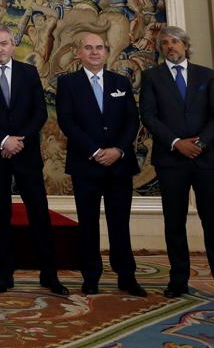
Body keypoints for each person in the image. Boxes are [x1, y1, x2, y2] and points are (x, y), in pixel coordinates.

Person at [139, 26, 214, 303]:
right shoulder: (152, 77)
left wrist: (200, 143)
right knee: (174, 223)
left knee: (213, 223)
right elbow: (148, 116)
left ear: (185, 45)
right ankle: (178, 280)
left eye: (174, 42)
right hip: (171, 160)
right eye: (164, 43)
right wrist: (176, 142)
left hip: (206, 159)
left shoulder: (205, 75)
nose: (170, 46)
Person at [0, 24, 67, 295]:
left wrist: (17, 140)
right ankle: (4, 275)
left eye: (4, 43)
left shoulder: (29, 72)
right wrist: (3, 140)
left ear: (13, 45)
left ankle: (49, 274)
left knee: (39, 215)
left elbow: (40, 113)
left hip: (26, 154)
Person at [54, 33, 145, 297]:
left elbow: (132, 120)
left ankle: (126, 275)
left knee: (120, 222)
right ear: (78, 53)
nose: (94, 52)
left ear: (106, 52)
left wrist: (118, 149)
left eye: (99, 48)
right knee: (88, 222)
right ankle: (91, 276)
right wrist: (95, 151)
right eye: (88, 48)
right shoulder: (68, 83)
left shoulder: (120, 82)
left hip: (119, 165)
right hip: (86, 165)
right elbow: (67, 122)